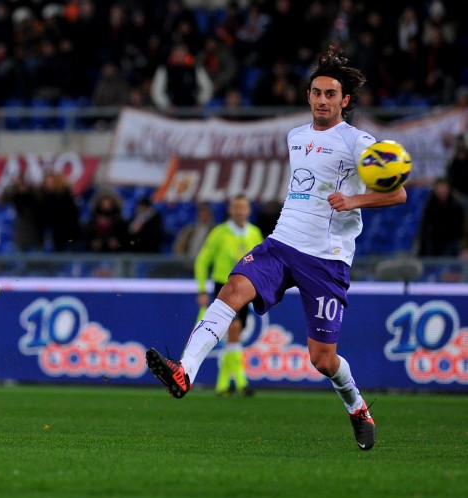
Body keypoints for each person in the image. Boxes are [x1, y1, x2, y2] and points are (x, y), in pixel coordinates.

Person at [145, 46, 407, 451]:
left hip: (327, 258)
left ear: (345, 100)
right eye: (317, 92)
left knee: (322, 359)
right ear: (308, 96)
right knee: (232, 289)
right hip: (283, 241)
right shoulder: (296, 137)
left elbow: (398, 194)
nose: (322, 100)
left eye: (331, 94)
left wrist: (354, 200)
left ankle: (356, 406)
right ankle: (185, 371)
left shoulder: (359, 141)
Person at [194, 195, 264, 396]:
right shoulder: (219, 233)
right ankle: (241, 382)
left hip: (245, 288)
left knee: (235, 334)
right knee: (233, 329)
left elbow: (261, 263)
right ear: (230, 211)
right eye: (236, 207)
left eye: (243, 207)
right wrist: (201, 288)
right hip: (223, 286)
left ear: (249, 210)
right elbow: (202, 261)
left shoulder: (254, 233)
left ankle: (223, 384)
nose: (240, 211)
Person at [417, 178, 465, 257]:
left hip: (451, 239)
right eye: (440, 187)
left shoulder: (456, 205)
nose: (442, 191)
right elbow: (426, 226)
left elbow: (460, 227)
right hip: (434, 240)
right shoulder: (429, 205)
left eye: (444, 187)